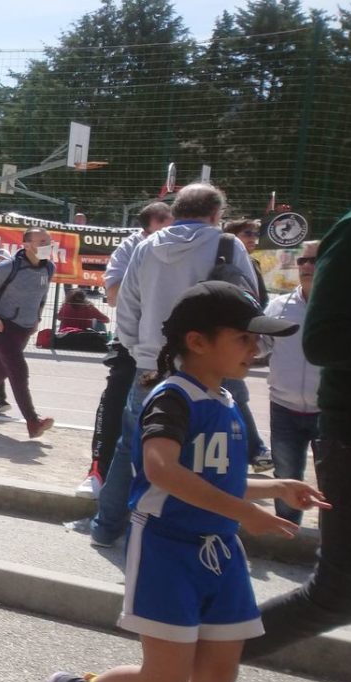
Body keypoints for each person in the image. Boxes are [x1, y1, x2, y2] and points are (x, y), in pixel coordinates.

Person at [35, 281, 324, 682]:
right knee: (164, 677)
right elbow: (162, 470)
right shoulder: (172, 396)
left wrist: (274, 488)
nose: (256, 349)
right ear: (197, 340)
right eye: (244, 339)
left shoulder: (225, 399)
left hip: (221, 552)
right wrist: (245, 511)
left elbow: (215, 477)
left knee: (219, 670)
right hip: (168, 549)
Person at [87, 184, 259, 549]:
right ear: (216, 214)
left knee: (132, 445)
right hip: (206, 365)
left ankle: (106, 527)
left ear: (176, 211)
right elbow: (246, 303)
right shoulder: (227, 245)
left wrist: (139, 349)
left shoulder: (146, 246)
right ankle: (189, 532)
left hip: (150, 364)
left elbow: (128, 305)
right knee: (207, 450)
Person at [244, 208, 351, 661]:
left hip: (324, 420)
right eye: (304, 261)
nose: (307, 267)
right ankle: (195, 667)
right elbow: (322, 340)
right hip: (338, 429)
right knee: (337, 595)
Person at [80, 203, 176, 497]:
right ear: (149, 226)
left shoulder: (187, 245)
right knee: (115, 400)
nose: (172, 230)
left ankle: (167, 480)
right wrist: (147, 282)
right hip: (131, 342)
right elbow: (112, 296)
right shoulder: (132, 248)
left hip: (174, 345)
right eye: (165, 224)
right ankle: (98, 471)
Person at [0, 227, 58, 438]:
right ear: (26, 245)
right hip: (2, 327)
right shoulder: (10, 267)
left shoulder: (48, 267)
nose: (47, 246)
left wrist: (37, 318)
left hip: (25, 328)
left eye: (49, 242)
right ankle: (33, 422)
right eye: (42, 242)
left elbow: (42, 295)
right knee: (18, 371)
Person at [261, 240, 322, 525]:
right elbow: (260, 346)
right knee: (286, 480)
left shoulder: (343, 308)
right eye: (302, 261)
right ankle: (286, 535)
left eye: (314, 260)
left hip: (330, 412)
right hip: (283, 409)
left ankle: (334, 543)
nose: (306, 266)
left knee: (335, 481)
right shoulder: (279, 306)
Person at [220, 218, 273, 470]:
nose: (253, 238)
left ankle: (252, 450)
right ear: (232, 238)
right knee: (234, 396)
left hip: (242, 337)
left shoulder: (252, 263)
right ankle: (255, 450)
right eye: (247, 233)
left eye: (255, 233)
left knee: (234, 395)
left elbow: (260, 300)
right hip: (225, 341)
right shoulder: (227, 264)